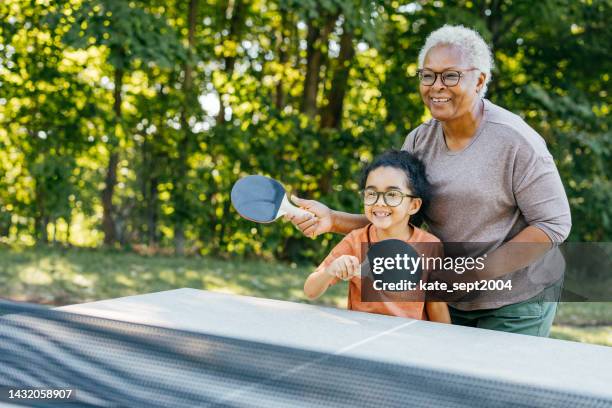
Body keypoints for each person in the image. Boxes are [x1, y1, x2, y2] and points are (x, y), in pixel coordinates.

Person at [289, 25, 571, 336]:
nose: (436, 86)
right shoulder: (419, 142)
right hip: (446, 294)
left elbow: (553, 225)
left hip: (517, 299)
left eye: (450, 76)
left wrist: (474, 274)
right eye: (428, 75)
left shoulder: (516, 142)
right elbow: (399, 219)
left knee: (497, 383)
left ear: (479, 80)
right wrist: (332, 220)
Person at [304, 150, 451, 323]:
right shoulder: (355, 241)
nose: (379, 202)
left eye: (392, 195)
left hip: (410, 342)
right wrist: (330, 270)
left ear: (413, 205)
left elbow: (436, 305)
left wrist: (446, 346)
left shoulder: (430, 246)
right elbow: (310, 291)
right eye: (372, 193)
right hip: (361, 336)